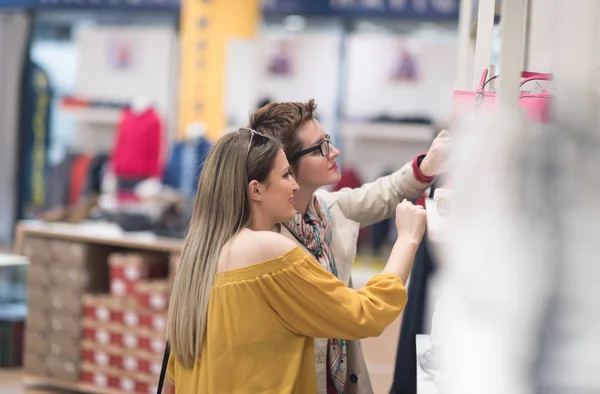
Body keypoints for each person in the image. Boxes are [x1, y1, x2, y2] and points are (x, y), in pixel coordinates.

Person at [166, 128, 427, 393]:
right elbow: (367, 313)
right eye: (286, 175)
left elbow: (173, 377)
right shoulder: (270, 251)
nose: (295, 185)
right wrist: (407, 239)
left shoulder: (199, 256)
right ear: (255, 189)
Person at [249, 99, 449, 394]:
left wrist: (425, 167)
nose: (334, 151)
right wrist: (406, 240)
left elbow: (382, 193)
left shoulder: (323, 211)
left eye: (327, 140)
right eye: (320, 148)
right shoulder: (274, 247)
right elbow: (361, 314)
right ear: (287, 167)